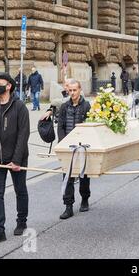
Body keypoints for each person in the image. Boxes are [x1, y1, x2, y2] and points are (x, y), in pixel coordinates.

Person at [0, 72, 30, 245]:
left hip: (17, 158)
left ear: (8, 86)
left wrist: (16, 160)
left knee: (20, 190)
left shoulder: (19, 107)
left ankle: (21, 221)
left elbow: (23, 135)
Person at [57, 80, 91, 219]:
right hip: (68, 146)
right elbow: (60, 126)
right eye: (70, 90)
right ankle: (68, 206)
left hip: (82, 145)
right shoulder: (64, 106)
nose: (72, 93)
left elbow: (90, 125)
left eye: (74, 90)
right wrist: (62, 142)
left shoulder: (86, 105)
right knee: (67, 176)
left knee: (83, 175)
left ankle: (84, 199)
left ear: (79, 90)